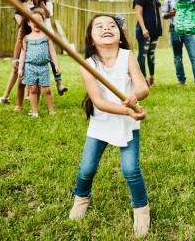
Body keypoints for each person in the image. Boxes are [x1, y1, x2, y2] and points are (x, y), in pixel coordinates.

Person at [69, 15, 150, 238]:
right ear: (91, 38)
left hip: (127, 124)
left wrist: (134, 97)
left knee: (131, 170)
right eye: (100, 26)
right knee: (87, 169)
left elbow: (143, 87)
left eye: (112, 25)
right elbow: (99, 102)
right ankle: (82, 197)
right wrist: (127, 110)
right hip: (102, 123)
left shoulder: (127, 56)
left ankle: (141, 209)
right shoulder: (88, 65)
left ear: (120, 35)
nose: (106, 28)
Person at [161, 0, 195, 89]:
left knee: (194, 56)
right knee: (177, 58)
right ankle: (181, 81)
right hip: (174, 30)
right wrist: (170, 14)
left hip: (188, 30)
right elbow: (163, 15)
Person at [29, 0, 68, 96]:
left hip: (47, 34)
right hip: (34, 36)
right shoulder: (29, 3)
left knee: (52, 59)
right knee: (33, 61)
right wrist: (34, 2)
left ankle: (59, 84)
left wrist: (41, 3)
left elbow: (47, 15)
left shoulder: (48, 3)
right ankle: (31, 90)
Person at [0, 0, 33, 107]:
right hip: (24, 45)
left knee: (31, 69)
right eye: (27, 0)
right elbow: (20, 35)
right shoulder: (19, 14)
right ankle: (5, 96)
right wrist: (15, 58)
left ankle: (28, 95)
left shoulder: (37, 14)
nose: (30, 2)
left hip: (34, 45)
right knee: (16, 70)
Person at [17, 11, 59, 118]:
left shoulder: (46, 36)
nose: (36, 23)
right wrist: (20, 68)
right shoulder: (26, 38)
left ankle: (52, 110)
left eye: (39, 21)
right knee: (33, 89)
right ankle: (35, 112)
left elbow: (52, 52)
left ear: (43, 22)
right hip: (30, 67)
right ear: (29, 23)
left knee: (47, 90)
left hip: (43, 67)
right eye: (33, 21)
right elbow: (23, 53)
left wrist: (56, 65)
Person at [133, 0, 162, 87]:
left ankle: (152, 78)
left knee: (151, 54)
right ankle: (143, 80)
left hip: (155, 31)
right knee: (143, 54)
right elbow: (138, 13)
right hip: (144, 31)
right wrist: (144, 29)